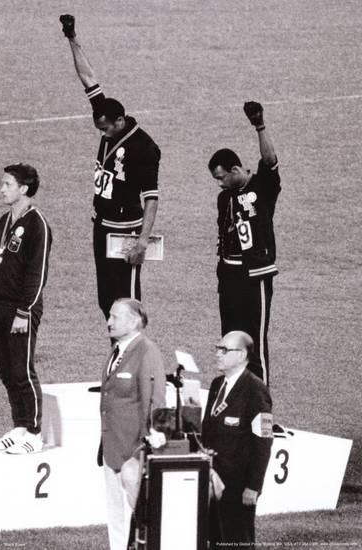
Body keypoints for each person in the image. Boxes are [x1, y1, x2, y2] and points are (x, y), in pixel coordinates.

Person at [59, 14, 161, 320]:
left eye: (106, 130)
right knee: (106, 300)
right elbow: (88, 77)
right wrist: (71, 37)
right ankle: (118, 355)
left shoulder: (145, 148)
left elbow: (151, 197)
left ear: (120, 121)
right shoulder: (106, 113)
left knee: (127, 302)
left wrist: (142, 240)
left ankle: (136, 361)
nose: (102, 135)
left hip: (125, 231)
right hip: (101, 226)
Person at [0, 163, 52, 454]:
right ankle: (20, 425)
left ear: (23, 189)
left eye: (7, 184)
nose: (1, 189)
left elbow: (38, 274)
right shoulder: (4, 220)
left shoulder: (38, 225)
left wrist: (25, 311)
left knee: (22, 369)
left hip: (22, 309)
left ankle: (35, 433)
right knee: (4, 369)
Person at [208, 102, 281, 386]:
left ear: (235, 168)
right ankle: (235, 397)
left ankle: (261, 405)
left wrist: (259, 126)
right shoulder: (223, 198)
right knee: (230, 339)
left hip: (254, 277)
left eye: (222, 177)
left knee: (255, 340)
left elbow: (271, 160)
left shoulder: (262, 187)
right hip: (228, 277)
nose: (220, 184)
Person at [99, 298, 166, 550]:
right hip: (111, 448)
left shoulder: (147, 351)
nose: (109, 322)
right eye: (110, 316)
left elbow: (155, 403)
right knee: (115, 516)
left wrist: (143, 451)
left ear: (134, 321)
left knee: (145, 518)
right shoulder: (117, 351)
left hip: (133, 452)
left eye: (115, 317)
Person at [201, 331, 273, 548]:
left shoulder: (255, 390)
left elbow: (263, 442)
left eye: (224, 350)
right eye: (217, 348)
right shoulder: (216, 385)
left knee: (236, 541)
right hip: (213, 480)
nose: (218, 354)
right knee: (213, 539)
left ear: (241, 355)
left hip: (238, 485)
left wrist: (253, 485)